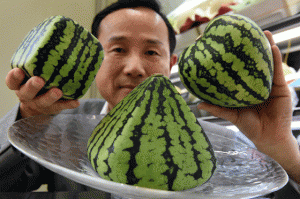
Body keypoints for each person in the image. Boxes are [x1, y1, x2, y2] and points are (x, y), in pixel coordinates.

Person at [1, 0, 299, 198]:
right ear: (94, 60)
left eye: (152, 52)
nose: (134, 68)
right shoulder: (59, 128)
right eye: (117, 50)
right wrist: (27, 117)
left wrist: (280, 147)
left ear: (171, 63)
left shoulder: (222, 144)